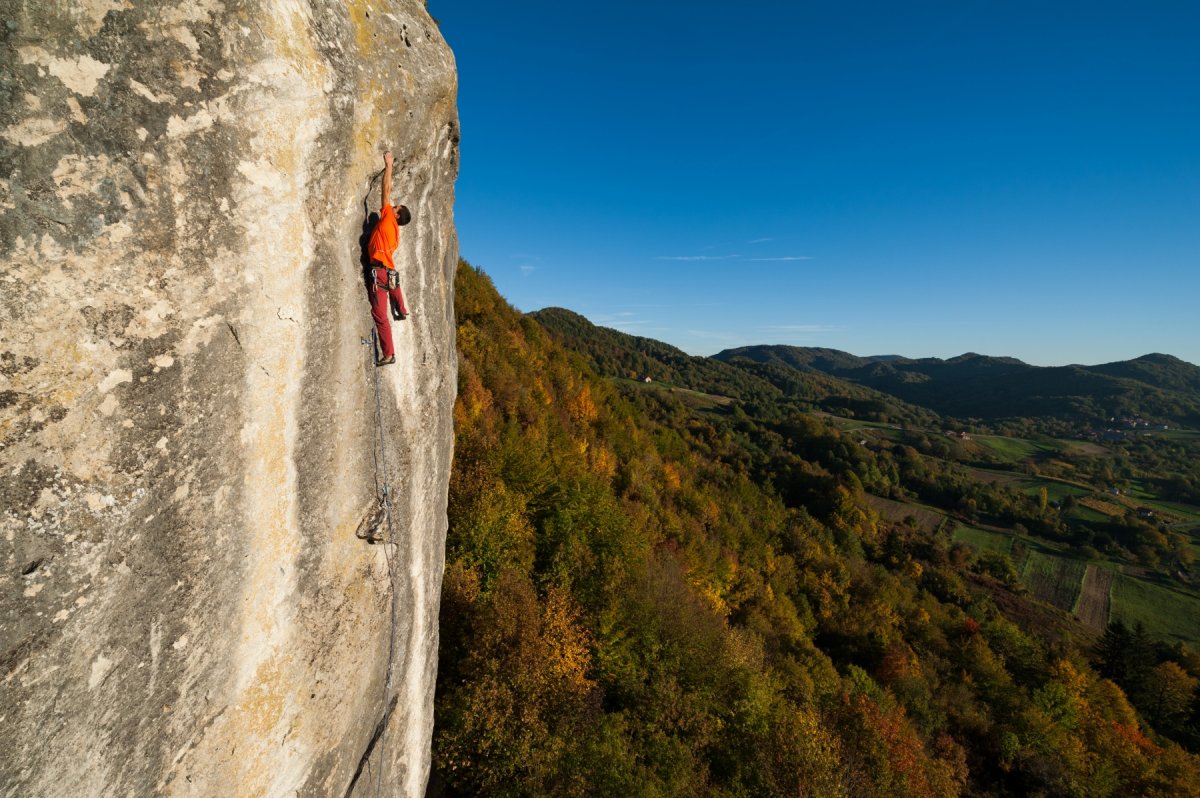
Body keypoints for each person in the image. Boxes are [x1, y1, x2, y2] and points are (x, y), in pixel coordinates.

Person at [366, 150, 411, 367]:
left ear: (396, 215)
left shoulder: (387, 219)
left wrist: (389, 165)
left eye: (396, 207)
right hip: (389, 272)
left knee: (380, 315)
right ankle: (401, 309)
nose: (393, 205)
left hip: (379, 273)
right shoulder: (395, 234)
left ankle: (389, 353)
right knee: (392, 286)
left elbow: (386, 190)